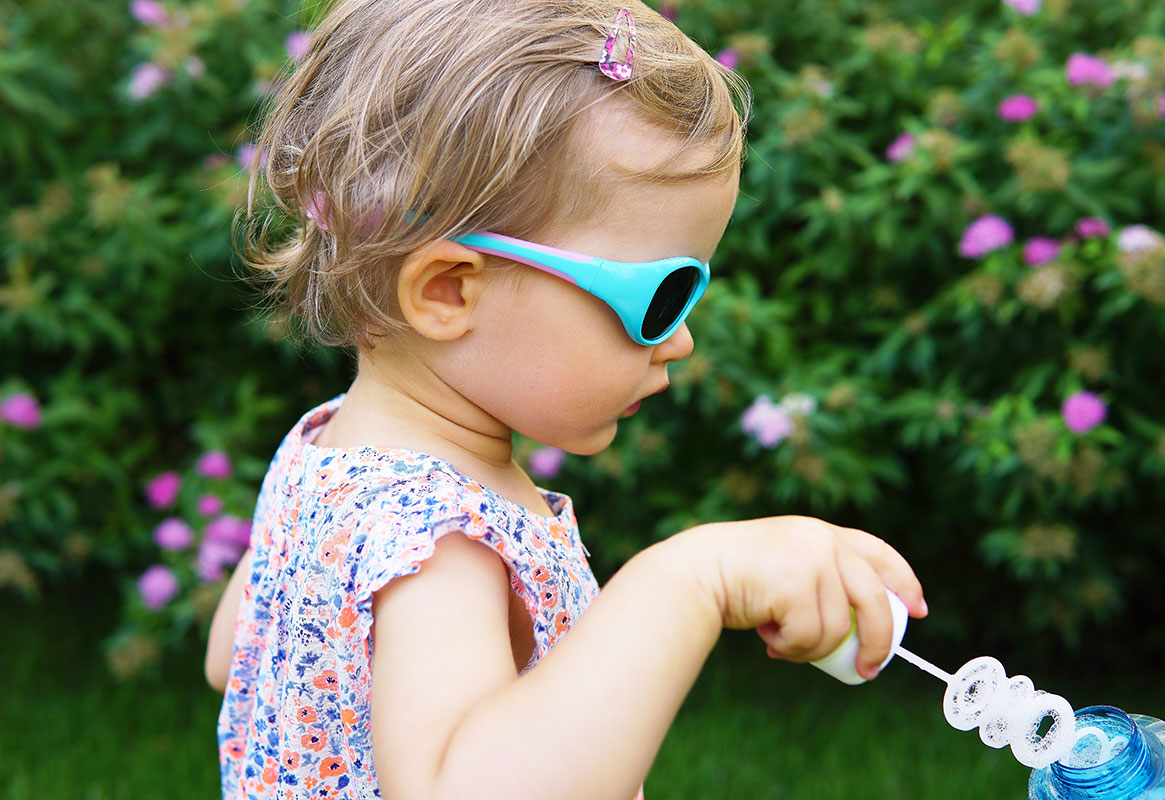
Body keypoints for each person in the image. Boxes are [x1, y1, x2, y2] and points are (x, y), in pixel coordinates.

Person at [204, 1, 928, 798]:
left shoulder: (323, 451)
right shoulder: (438, 543)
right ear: (448, 292)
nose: (681, 340)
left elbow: (236, 660)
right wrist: (693, 578)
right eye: (661, 295)